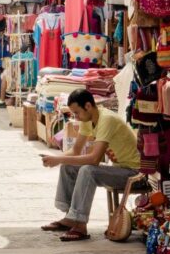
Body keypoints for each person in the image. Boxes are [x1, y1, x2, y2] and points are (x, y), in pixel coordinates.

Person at [40, 88, 140, 242]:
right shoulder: (88, 120)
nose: (76, 117)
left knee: (88, 170)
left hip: (134, 173)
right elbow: (75, 151)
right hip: (120, 169)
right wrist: (55, 158)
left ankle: (80, 225)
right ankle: (70, 218)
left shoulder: (106, 119)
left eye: (77, 113)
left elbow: (94, 159)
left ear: (88, 106)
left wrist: (59, 160)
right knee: (68, 167)